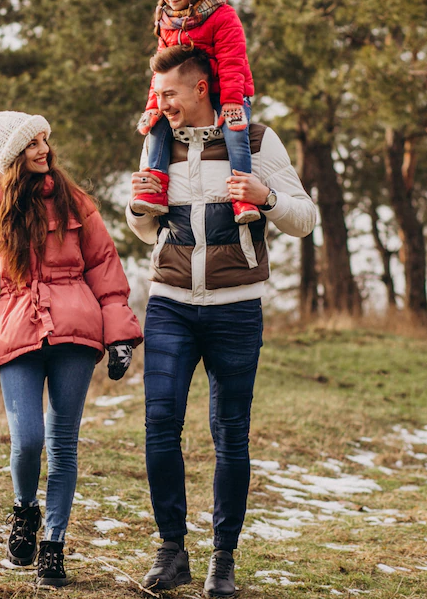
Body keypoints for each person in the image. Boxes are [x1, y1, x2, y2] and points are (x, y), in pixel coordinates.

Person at [126, 46, 317, 597]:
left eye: (169, 95)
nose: (160, 105)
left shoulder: (256, 142)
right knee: (160, 423)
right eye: (158, 95)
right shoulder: (156, 140)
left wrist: (268, 196)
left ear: (202, 89)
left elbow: (303, 218)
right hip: (170, 303)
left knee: (230, 433)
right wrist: (140, 208)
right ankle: (170, 550)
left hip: (236, 307)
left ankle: (223, 559)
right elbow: (145, 231)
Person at [0, 110, 143, 588]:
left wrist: (120, 337)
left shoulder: (76, 204)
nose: (43, 149)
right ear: (12, 156)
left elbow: (105, 271)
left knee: (63, 443)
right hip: (16, 333)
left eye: (45, 140)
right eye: (32, 144)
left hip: (76, 332)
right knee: (28, 440)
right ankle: (25, 509)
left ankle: (53, 544)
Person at [132, 0, 259, 226]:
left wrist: (231, 102)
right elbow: (161, 70)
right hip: (186, 95)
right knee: (157, 127)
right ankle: (156, 188)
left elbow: (232, 62)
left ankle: (242, 194)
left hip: (228, 91)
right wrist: (154, 106)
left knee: (235, 133)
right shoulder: (166, 21)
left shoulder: (222, 15)